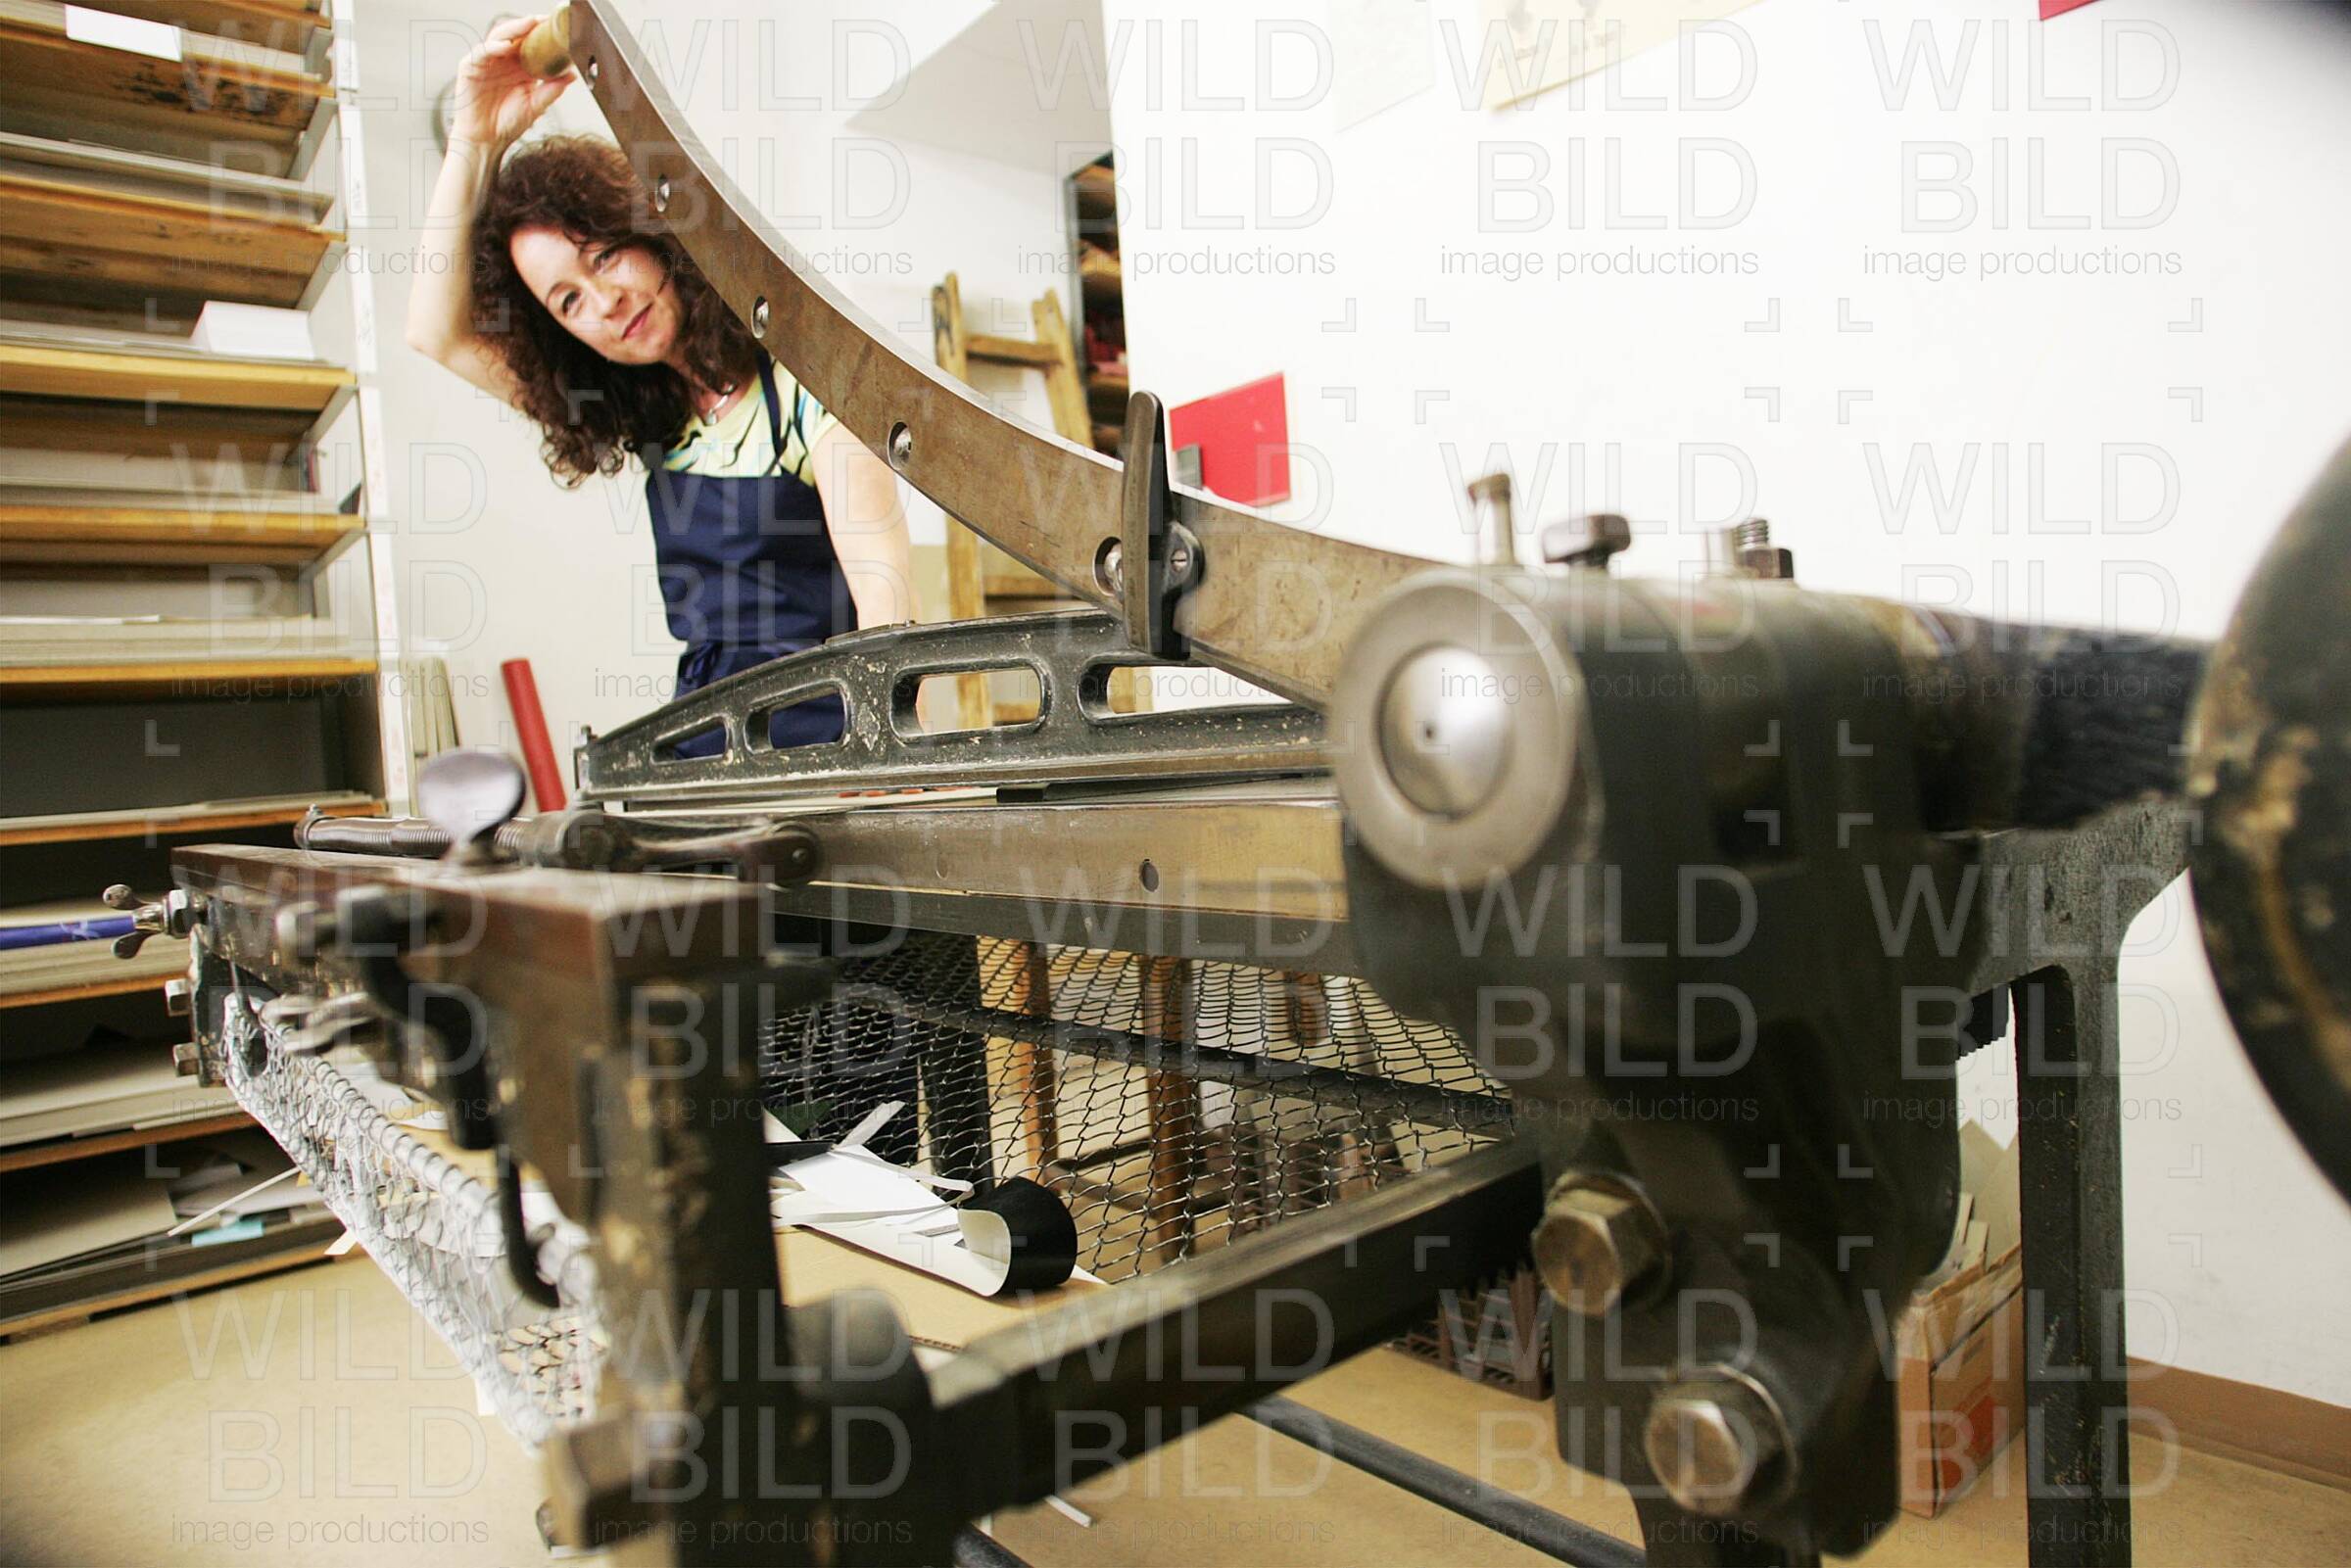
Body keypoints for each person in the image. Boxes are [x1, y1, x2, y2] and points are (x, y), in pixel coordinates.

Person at [405, 14, 913, 749]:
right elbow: (434, 333)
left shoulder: (808, 387)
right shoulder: (654, 419)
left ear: (649, 230)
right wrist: (475, 141)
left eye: (604, 256)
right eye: (569, 301)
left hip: (827, 733)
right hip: (701, 742)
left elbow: (884, 592)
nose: (605, 302)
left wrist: (883, 748)